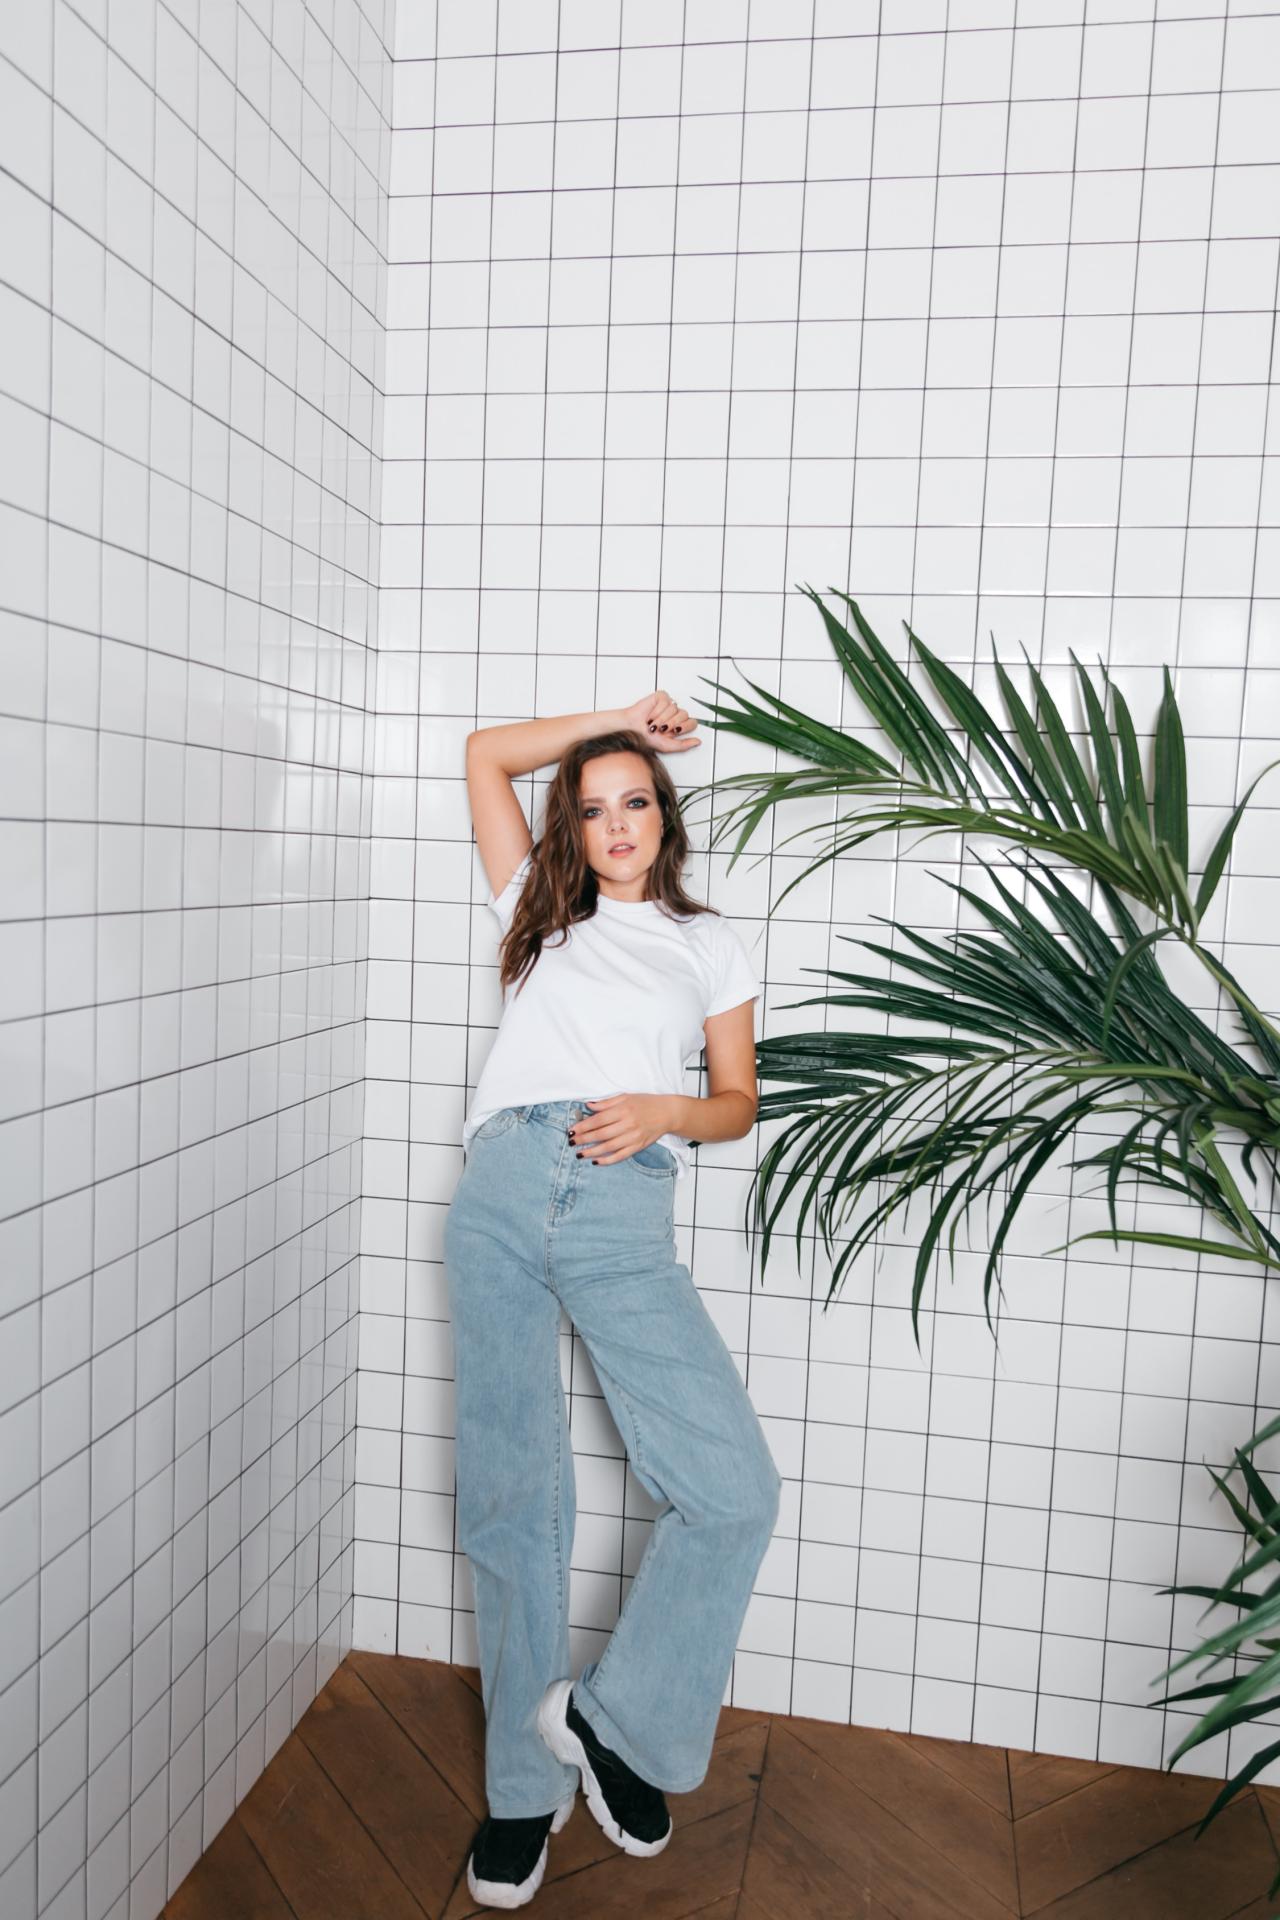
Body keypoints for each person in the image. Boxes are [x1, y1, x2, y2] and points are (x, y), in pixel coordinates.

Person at [445, 689, 784, 1909]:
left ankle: (611, 1721)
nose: (616, 824)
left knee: (732, 1491)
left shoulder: (710, 944)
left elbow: (736, 1103)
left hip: (621, 1201)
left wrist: (660, 1110)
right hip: (500, 1190)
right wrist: (615, 720)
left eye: (634, 800)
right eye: (592, 810)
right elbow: (484, 753)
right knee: (511, 1500)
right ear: (573, 832)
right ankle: (518, 1796)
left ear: (664, 816)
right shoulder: (535, 916)